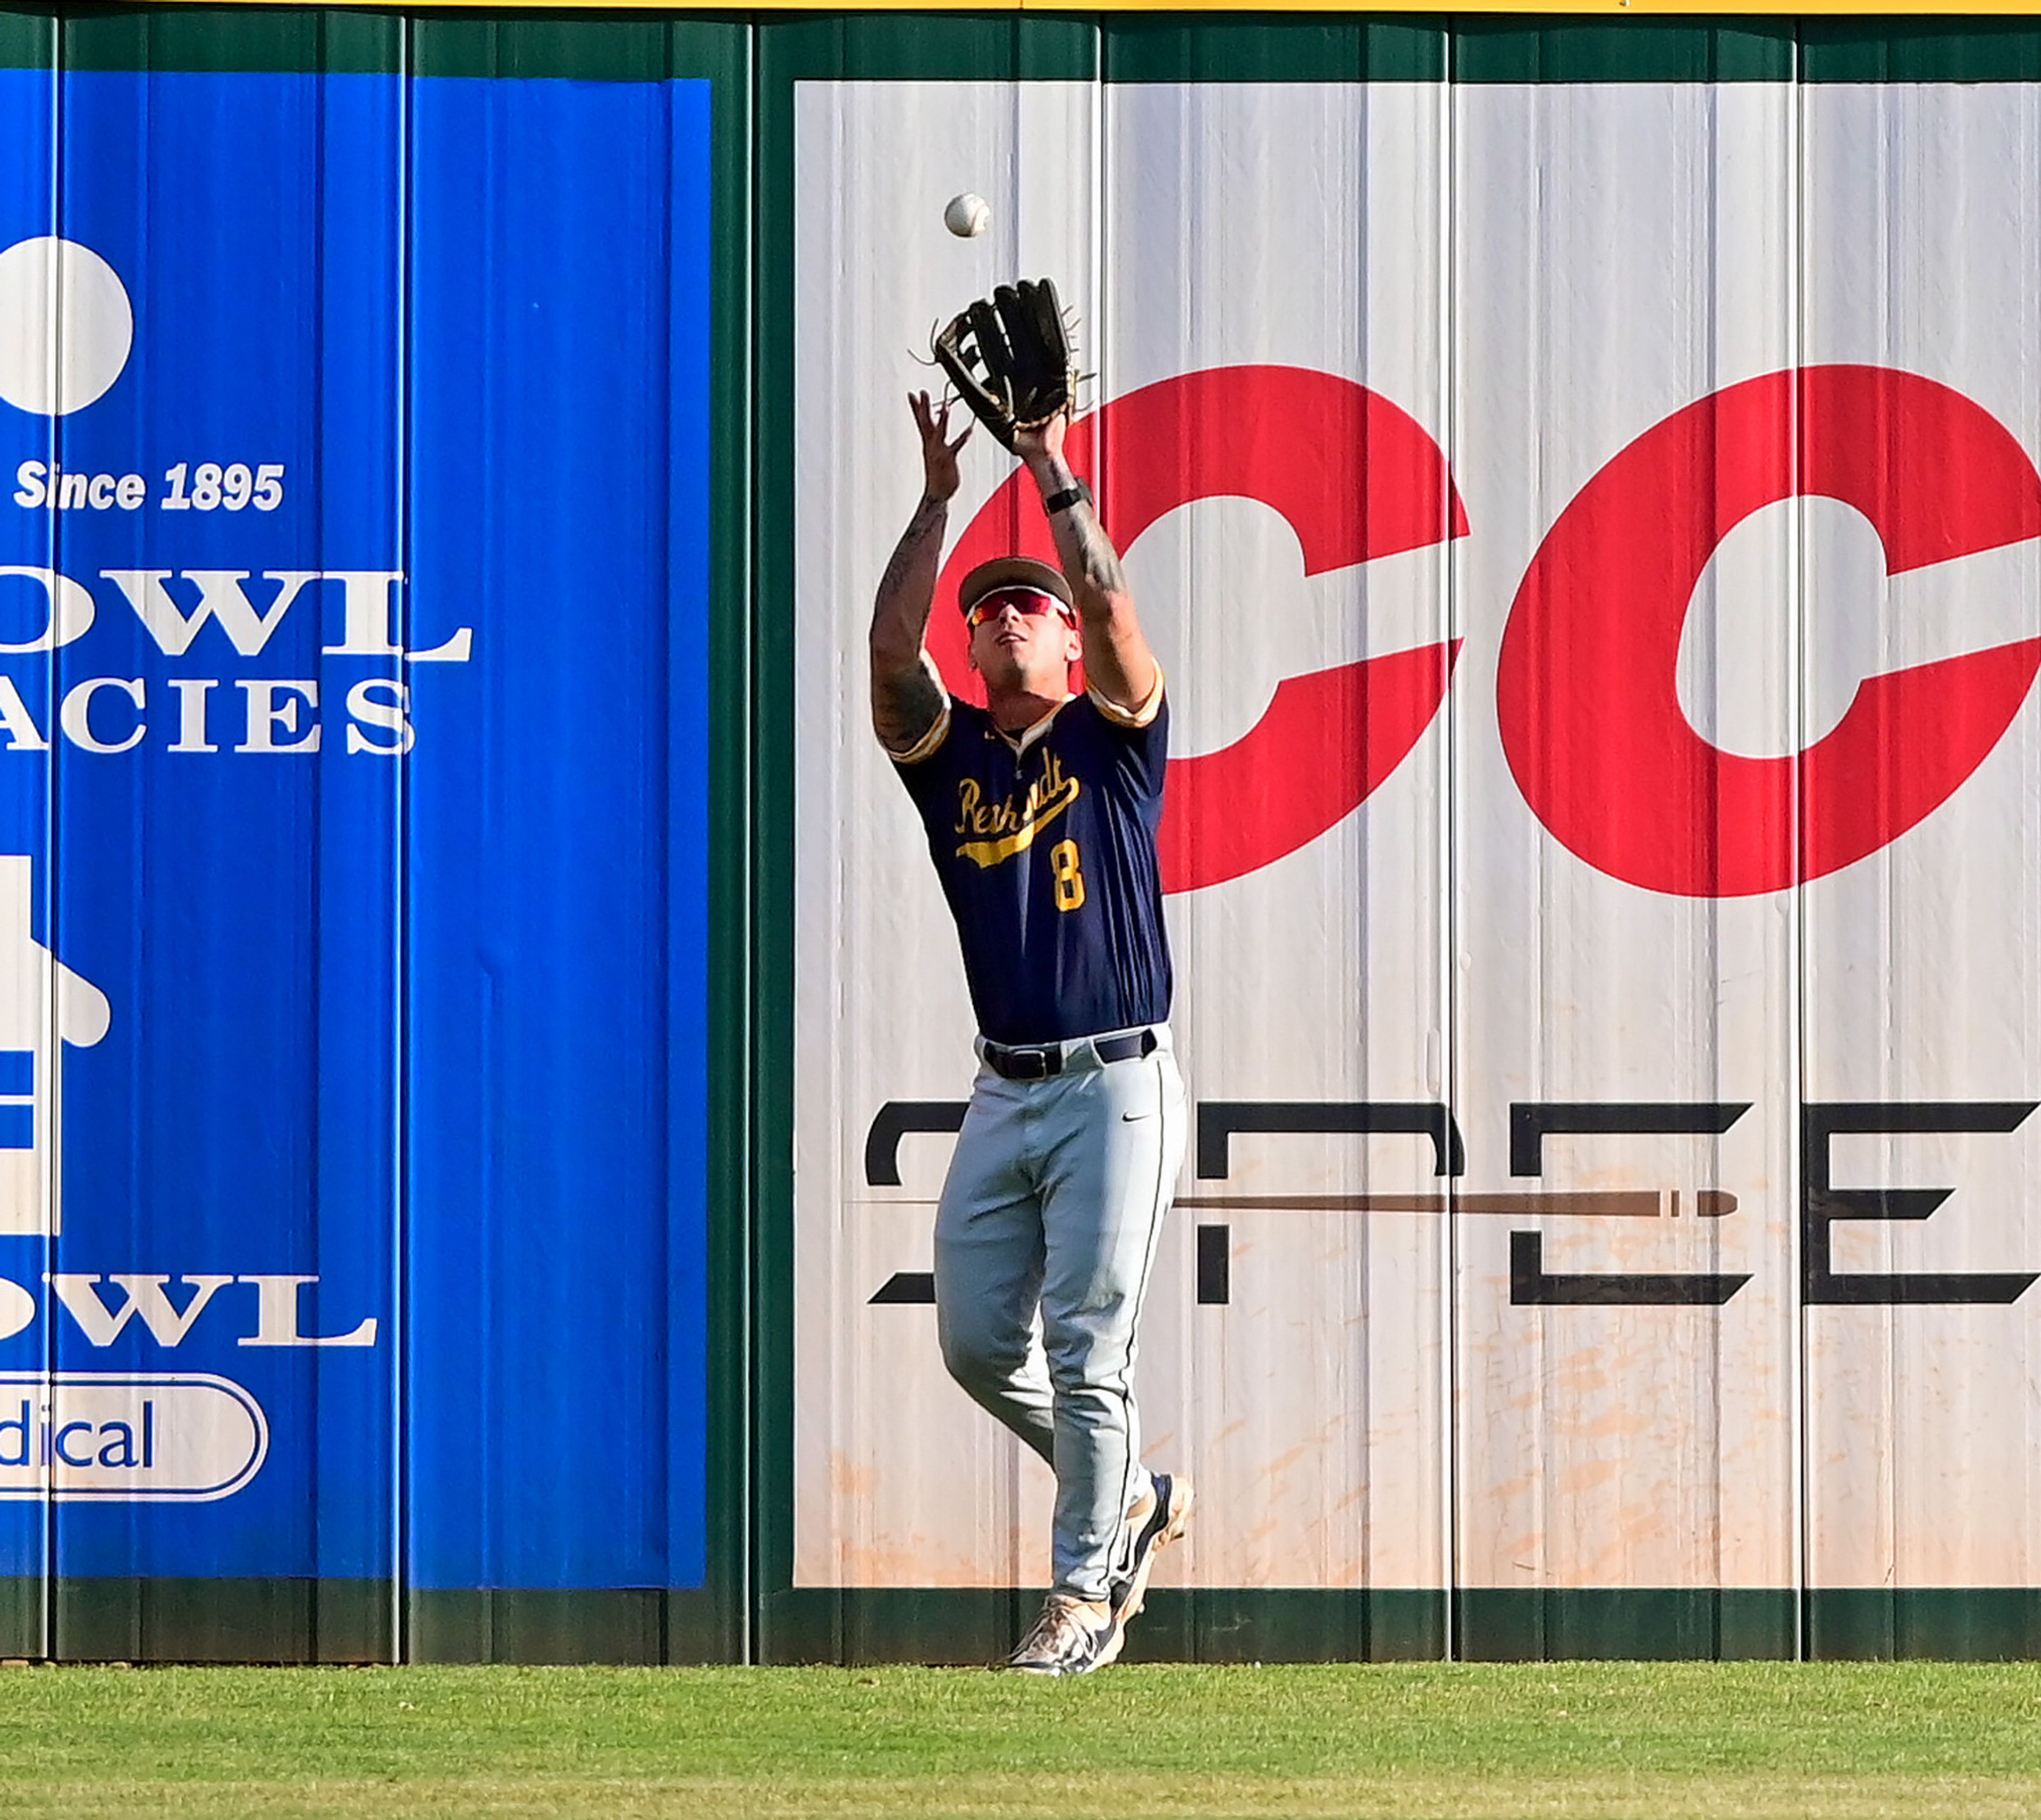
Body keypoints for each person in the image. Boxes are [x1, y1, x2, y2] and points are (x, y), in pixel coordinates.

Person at [867, 389, 1193, 1675]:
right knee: (971, 1341)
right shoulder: (948, 762)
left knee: (1089, 1340)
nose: (1006, 614)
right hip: (1004, 1090)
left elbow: (1114, 610)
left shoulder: (1116, 741)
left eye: (1028, 604)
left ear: (1063, 645)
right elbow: (893, 655)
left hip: (1118, 1078)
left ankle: (1080, 1598)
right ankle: (1127, 1497)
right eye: (987, 608)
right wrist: (942, 501)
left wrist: (1049, 464)